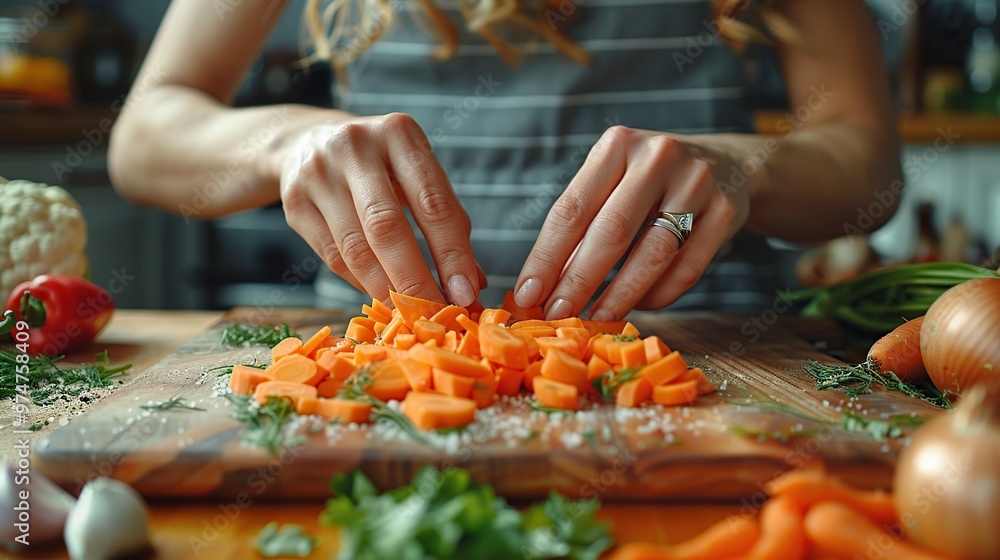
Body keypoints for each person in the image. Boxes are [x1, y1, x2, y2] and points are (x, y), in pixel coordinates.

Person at [108, 0, 901, 320]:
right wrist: (283, 142)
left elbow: (867, 164)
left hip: (707, 363)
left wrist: (743, 166)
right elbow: (146, 133)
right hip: (388, 375)